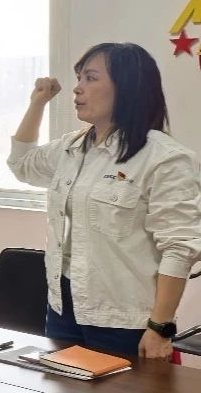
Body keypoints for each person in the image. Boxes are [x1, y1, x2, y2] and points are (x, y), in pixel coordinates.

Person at [11, 43, 201, 361]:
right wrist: (37, 103)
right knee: (64, 392)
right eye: (79, 78)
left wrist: (160, 326)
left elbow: (179, 248)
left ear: (127, 88)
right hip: (63, 307)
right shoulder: (71, 148)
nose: (77, 88)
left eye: (91, 78)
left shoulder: (165, 158)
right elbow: (22, 164)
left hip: (124, 318)